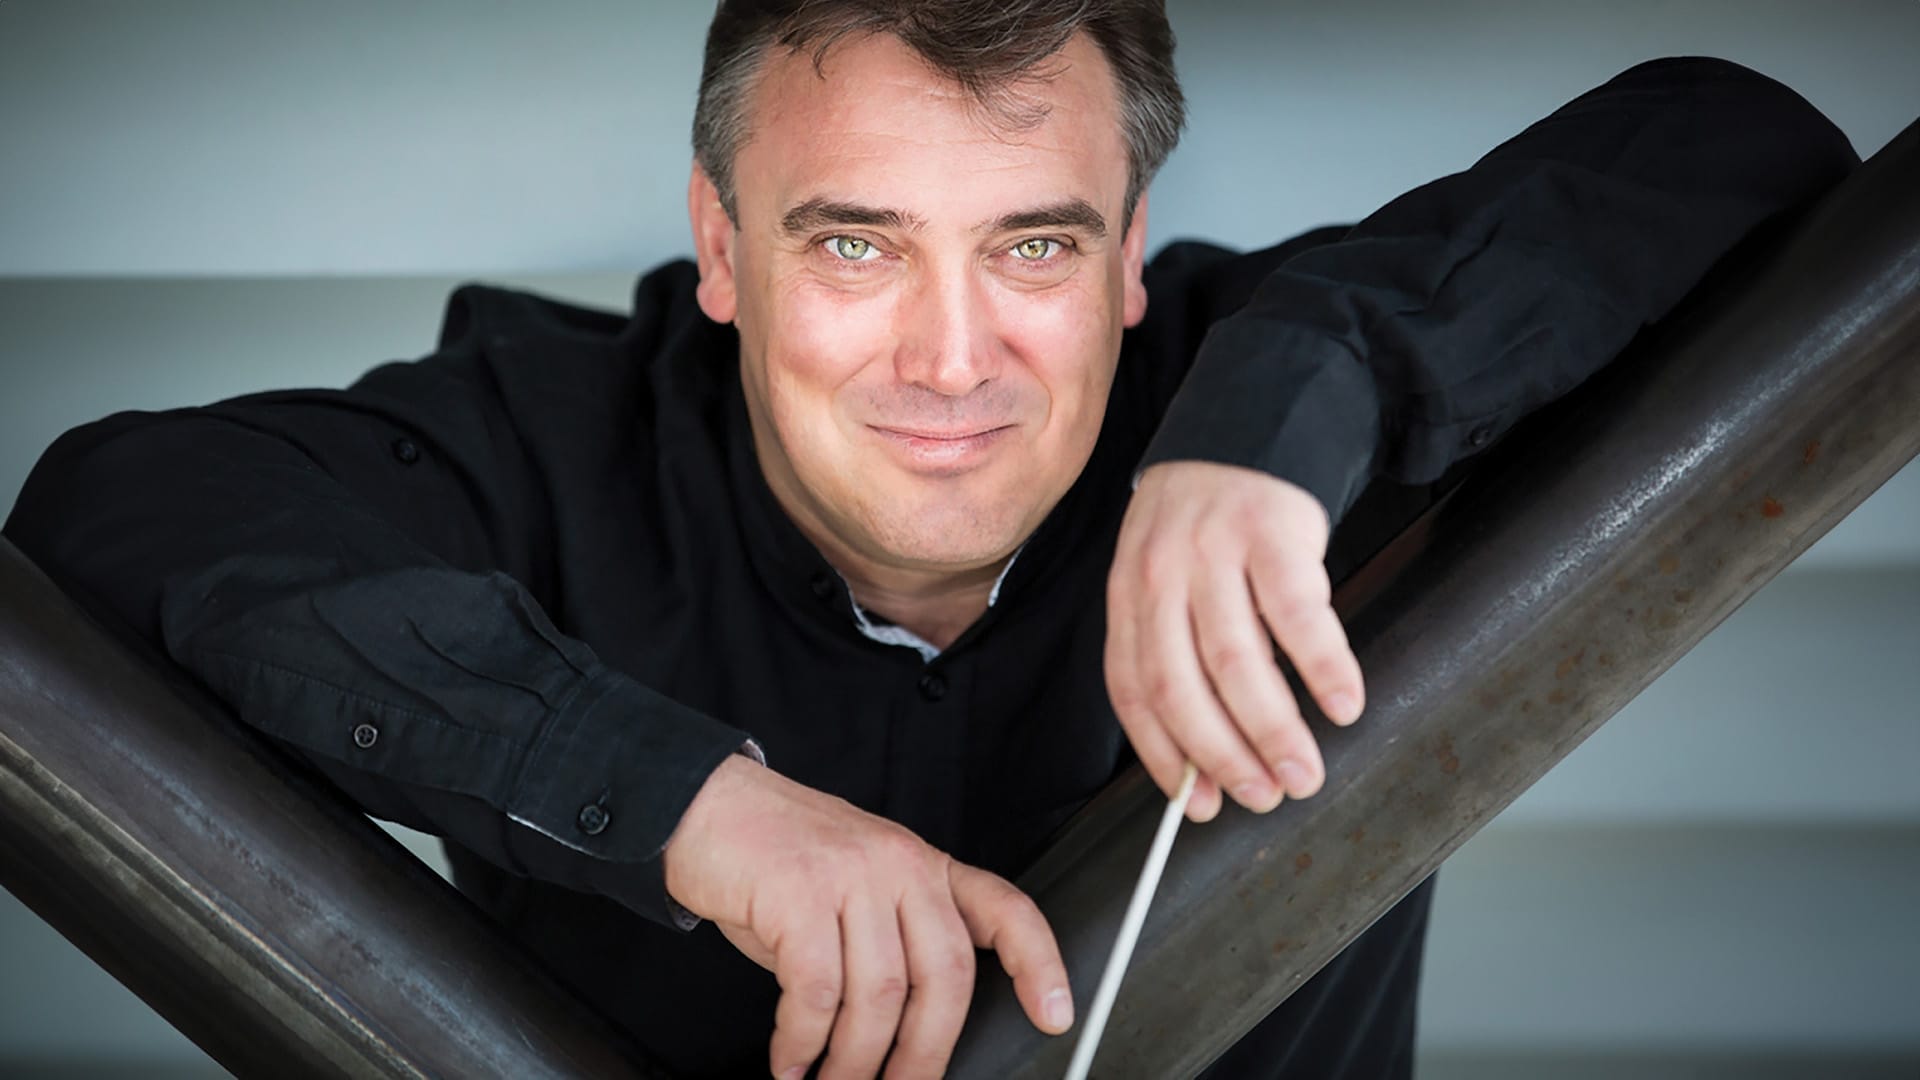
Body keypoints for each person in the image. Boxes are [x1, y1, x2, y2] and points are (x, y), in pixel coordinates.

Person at [4, 2, 1858, 1077]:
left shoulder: (1309, 399)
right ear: (724, 252)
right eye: (856, 241)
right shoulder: (545, 431)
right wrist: (677, 798)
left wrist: (1288, 405)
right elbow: (110, 511)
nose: (952, 357)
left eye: (1036, 244)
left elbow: (1739, 142)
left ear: (1136, 255)